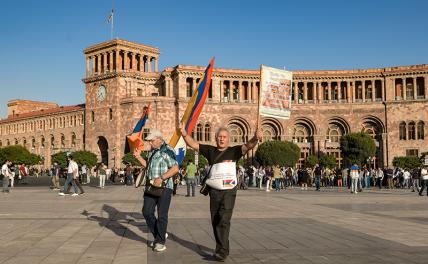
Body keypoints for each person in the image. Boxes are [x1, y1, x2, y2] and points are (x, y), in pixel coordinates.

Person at [180, 123, 262, 262]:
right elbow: (194, 144)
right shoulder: (210, 151)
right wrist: (184, 133)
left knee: (224, 219)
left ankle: (222, 251)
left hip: (229, 191)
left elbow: (248, 146)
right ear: (216, 138)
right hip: (214, 191)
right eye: (219, 137)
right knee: (215, 220)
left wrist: (255, 138)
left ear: (228, 139)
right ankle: (222, 248)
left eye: (224, 137)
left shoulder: (234, 151)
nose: (222, 139)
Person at [133, 129, 179, 253]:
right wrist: (138, 157)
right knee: (146, 212)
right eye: (149, 141)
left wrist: (162, 178)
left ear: (159, 139)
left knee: (162, 214)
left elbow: (175, 168)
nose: (150, 143)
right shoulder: (152, 152)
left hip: (164, 187)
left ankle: (160, 242)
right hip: (151, 186)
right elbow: (148, 165)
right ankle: (160, 234)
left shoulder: (167, 150)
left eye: (152, 141)